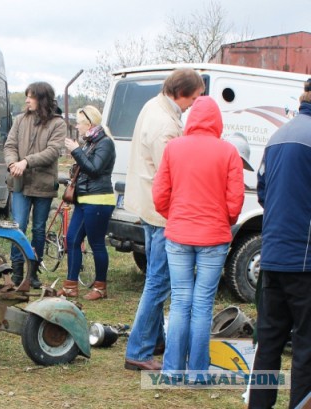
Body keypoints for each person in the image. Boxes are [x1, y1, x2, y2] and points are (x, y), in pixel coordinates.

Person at [152, 96, 245, 375]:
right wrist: (223, 220)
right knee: (203, 303)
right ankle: (198, 372)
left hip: (179, 234)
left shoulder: (174, 148)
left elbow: (159, 196)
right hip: (214, 237)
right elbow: (235, 202)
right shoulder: (229, 152)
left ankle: (171, 370)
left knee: (180, 300)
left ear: (191, 119)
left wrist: (176, 216)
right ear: (217, 121)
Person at [123, 68, 205, 371]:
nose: (193, 105)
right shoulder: (165, 127)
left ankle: (154, 338)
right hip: (160, 212)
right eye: (193, 98)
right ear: (180, 92)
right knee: (159, 281)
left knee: (155, 277)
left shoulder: (154, 106)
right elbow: (171, 172)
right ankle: (139, 351)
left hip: (148, 204)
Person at [248, 79, 311, 409]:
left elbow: (263, 193)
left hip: (272, 254)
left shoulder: (277, 136)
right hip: (305, 261)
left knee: (269, 342)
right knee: (306, 346)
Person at [3, 81, 66, 289]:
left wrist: (26, 161)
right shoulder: (20, 120)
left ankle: (33, 272)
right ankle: (17, 271)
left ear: (42, 99)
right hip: (20, 184)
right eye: (27, 96)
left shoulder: (58, 123)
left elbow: (53, 151)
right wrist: (13, 163)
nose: (27, 100)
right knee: (18, 226)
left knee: (38, 230)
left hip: (44, 185)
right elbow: (10, 145)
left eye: (31, 96)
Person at [58, 105, 115, 299]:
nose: (76, 125)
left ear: (89, 123)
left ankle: (100, 287)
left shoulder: (105, 143)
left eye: (78, 122)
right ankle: (70, 286)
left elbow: (94, 169)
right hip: (84, 199)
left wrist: (75, 151)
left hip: (99, 200)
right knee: (72, 239)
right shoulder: (89, 143)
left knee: (96, 243)